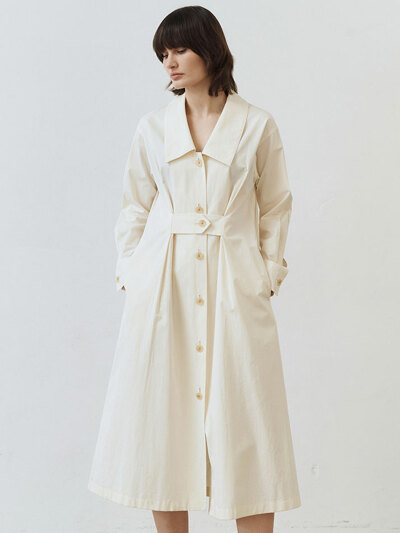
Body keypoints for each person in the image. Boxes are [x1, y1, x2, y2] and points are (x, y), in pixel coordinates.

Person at [88, 6, 301, 533]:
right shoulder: (153, 128)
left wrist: (266, 274)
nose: (170, 62)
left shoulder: (256, 125)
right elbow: (134, 206)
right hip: (165, 290)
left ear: (210, 48)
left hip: (235, 286)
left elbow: (275, 205)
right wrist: (133, 273)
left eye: (180, 49)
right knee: (164, 423)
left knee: (247, 420)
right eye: (163, 53)